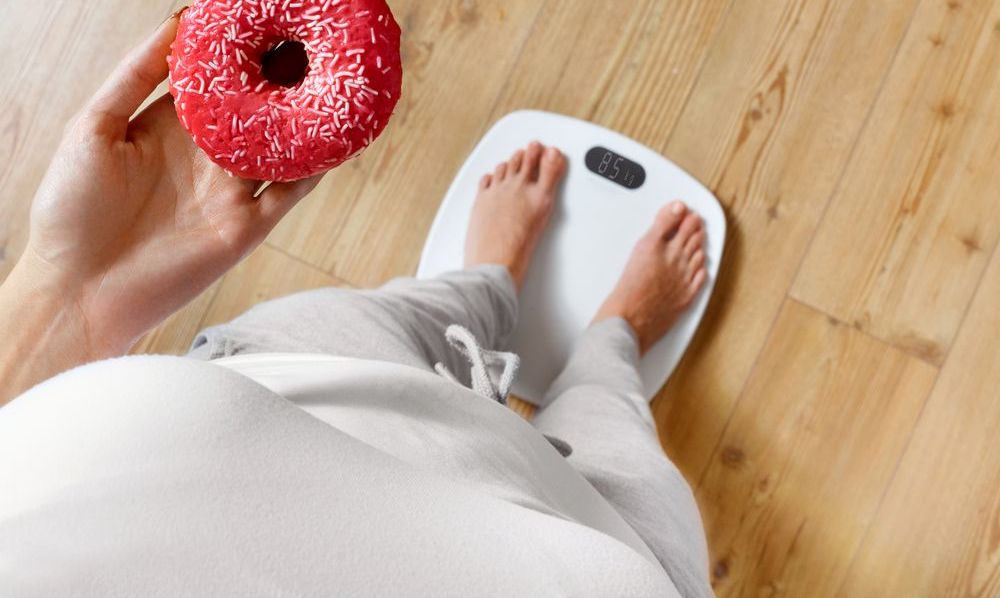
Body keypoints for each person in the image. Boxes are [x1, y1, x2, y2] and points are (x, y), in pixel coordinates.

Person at [0, 12, 712, 598]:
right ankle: (615, 334)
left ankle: (490, 278)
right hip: (608, 550)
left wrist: (70, 292)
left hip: (288, 382)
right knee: (610, 411)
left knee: (430, 312)